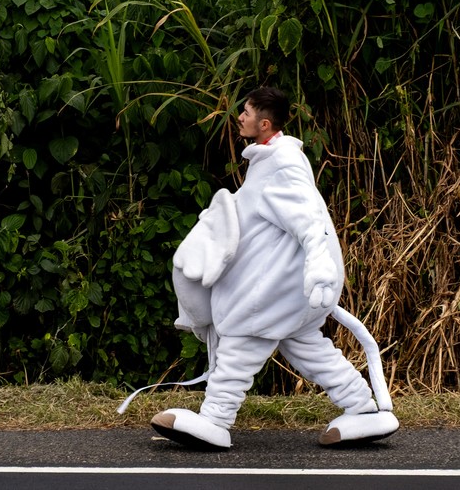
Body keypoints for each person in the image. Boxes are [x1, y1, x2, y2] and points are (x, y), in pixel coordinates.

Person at [150, 86, 398, 450]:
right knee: (309, 349)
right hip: (288, 290)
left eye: (247, 113)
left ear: (264, 124)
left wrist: (319, 265)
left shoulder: (282, 163)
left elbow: (308, 218)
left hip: (273, 289)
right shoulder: (269, 159)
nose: (240, 117)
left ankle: (215, 420)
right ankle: (362, 409)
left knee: (240, 340)